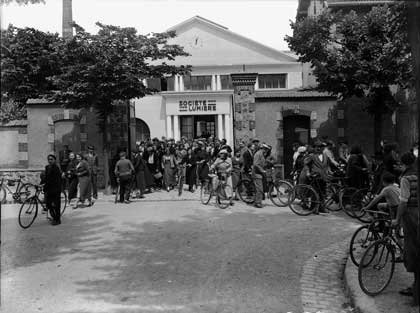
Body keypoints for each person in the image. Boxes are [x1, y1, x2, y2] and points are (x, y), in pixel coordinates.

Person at [393, 152, 419, 305]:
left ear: (403, 164)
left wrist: (397, 220)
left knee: (413, 252)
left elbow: (403, 202)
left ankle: (416, 289)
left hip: (411, 217)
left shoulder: (405, 179)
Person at [302, 141, 329, 213]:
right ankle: (314, 208)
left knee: (323, 192)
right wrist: (307, 172)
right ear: (314, 148)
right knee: (315, 192)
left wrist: (329, 172)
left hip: (323, 176)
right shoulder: (312, 156)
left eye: (320, 147)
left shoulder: (325, 156)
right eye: (317, 147)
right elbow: (306, 164)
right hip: (315, 176)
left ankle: (322, 208)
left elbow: (327, 165)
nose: (318, 148)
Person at [42, 154, 62, 225]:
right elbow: (46, 177)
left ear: (54, 160)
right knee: (48, 204)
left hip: (56, 188)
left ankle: (58, 220)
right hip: (49, 189)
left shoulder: (56, 168)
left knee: (57, 205)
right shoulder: (47, 167)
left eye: (51, 159)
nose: (50, 161)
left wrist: (46, 184)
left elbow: (53, 179)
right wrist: (41, 183)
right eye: (49, 159)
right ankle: (54, 217)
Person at [253, 144, 269, 208]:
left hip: (260, 173)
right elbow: (256, 164)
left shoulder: (262, 154)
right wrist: (262, 170)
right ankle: (257, 202)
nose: (267, 151)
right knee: (260, 189)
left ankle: (258, 200)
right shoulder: (258, 154)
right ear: (263, 148)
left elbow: (263, 163)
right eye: (266, 149)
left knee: (261, 188)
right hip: (257, 173)